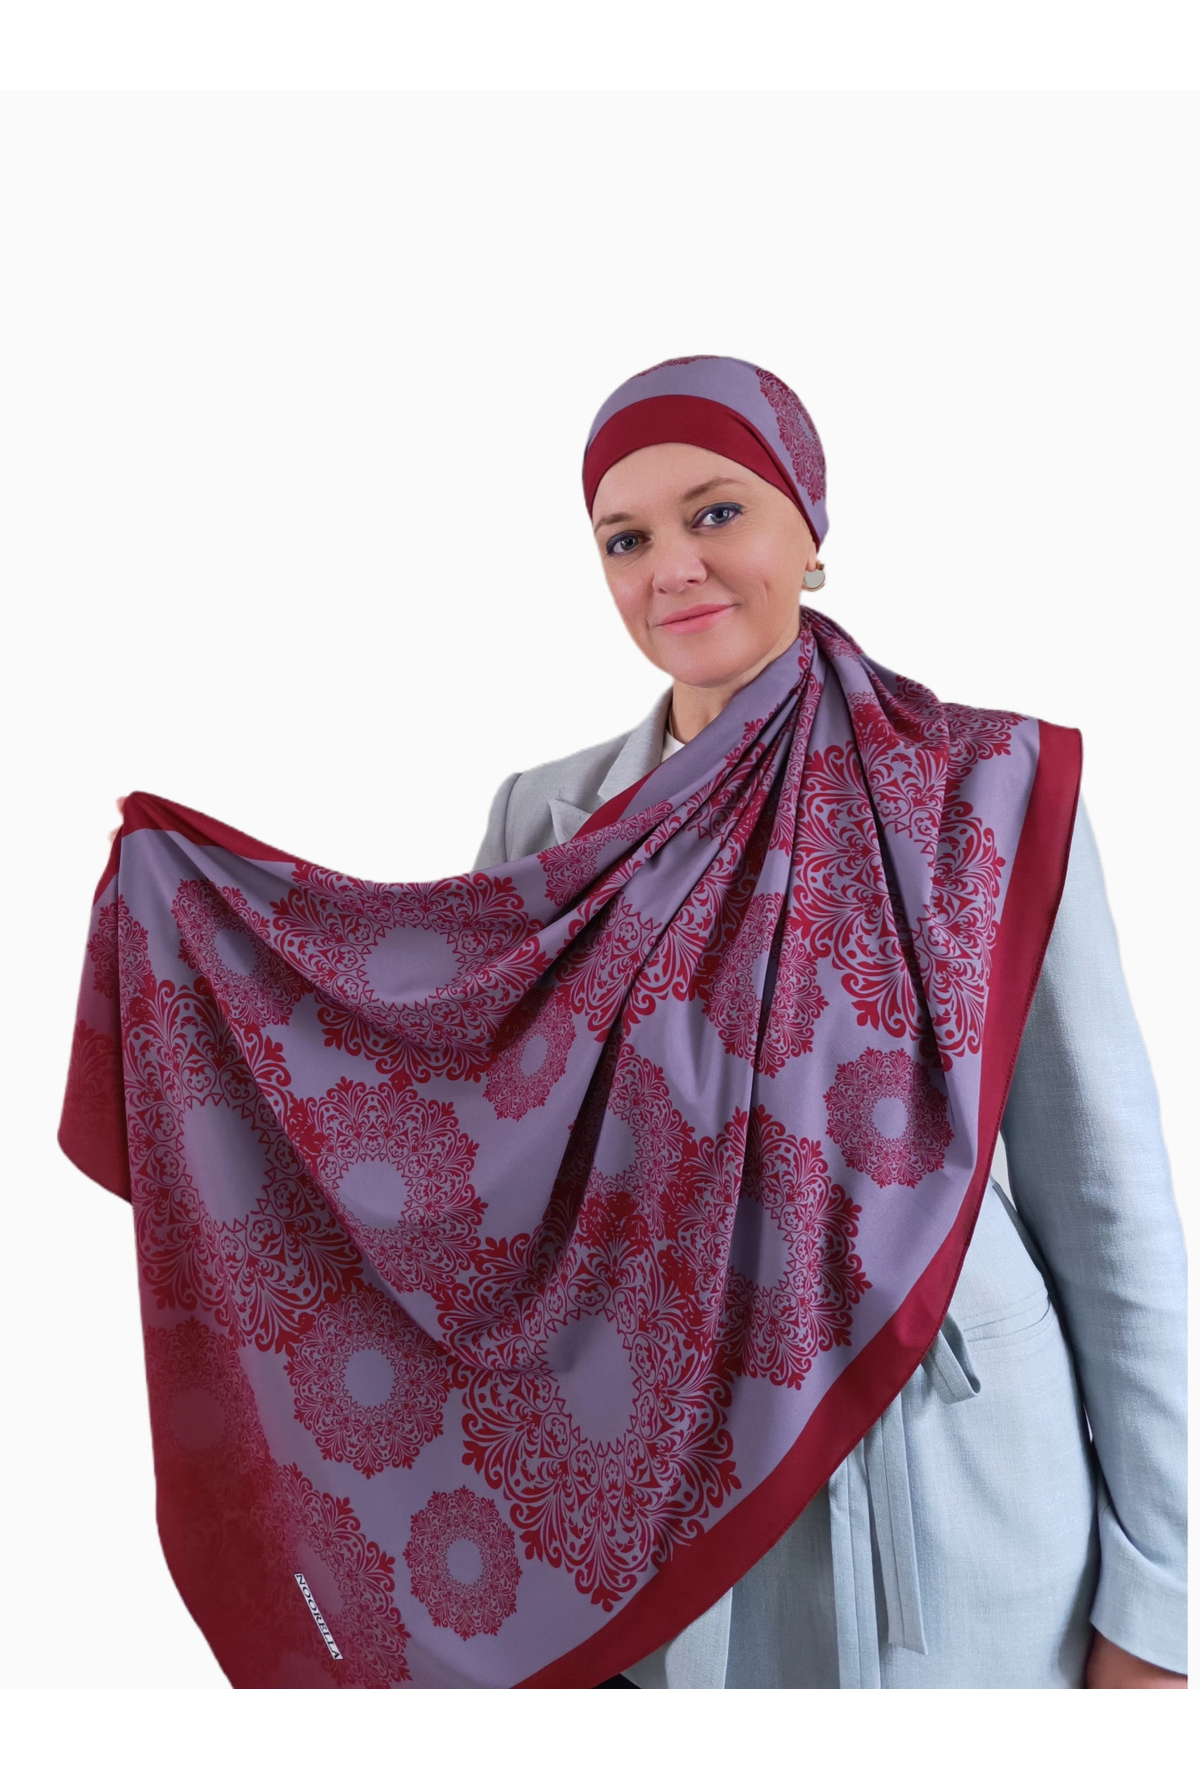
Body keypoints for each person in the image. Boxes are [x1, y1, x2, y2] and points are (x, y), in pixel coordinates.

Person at [469, 354, 1187, 1689]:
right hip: (659, 1484)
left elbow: (1106, 1198)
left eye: (716, 512)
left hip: (952, 1480)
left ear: (809, 528)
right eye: (626, 539)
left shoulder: (989, 789)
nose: (673, 568)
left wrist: (1164, 1602)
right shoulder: (544, 821)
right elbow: (508, 1193)